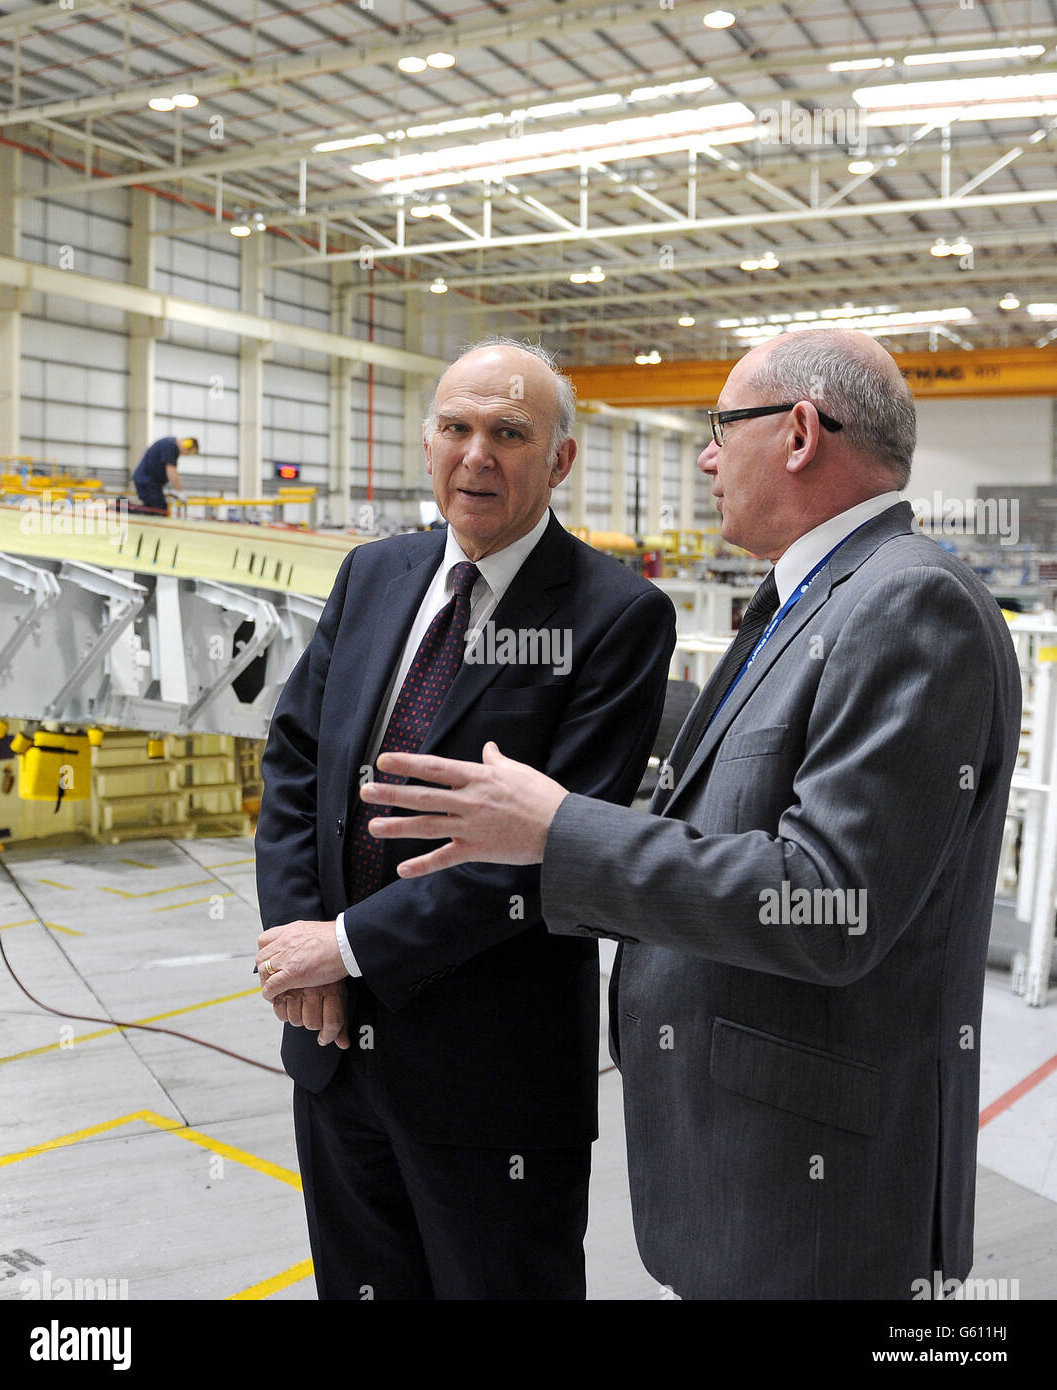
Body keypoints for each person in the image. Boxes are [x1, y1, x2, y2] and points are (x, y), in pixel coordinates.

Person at [361, 329, 1022, 1300]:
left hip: (817, 1209)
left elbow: (830, 900)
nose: (707, 457)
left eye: (722, 428)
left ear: (799, 432)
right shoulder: (804, 603)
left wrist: (559, 828)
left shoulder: (906, 603)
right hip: (749, 1179)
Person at [253, 338, 677, 1300]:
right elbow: (296, 768)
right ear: (428, 439)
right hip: (331, 1044)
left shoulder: (615, 617)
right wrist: (298, 949)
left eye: (508, 432)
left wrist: (347, 946)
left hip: (490, 1079)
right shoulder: (372, 575)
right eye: (455, 427)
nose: (475, 454)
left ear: (559, 459)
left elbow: (547, 855)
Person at [131, 435, 198, 513]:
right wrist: (180, 491)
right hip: (146, 482)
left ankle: (121, 506)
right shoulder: (170, 446)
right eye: (189, 453)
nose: (186, 455)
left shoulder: (169, 444)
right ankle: (120, 507)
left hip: (150, 483)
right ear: (187, 445)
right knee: (159, 510)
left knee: (156, 509)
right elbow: (171, 471)